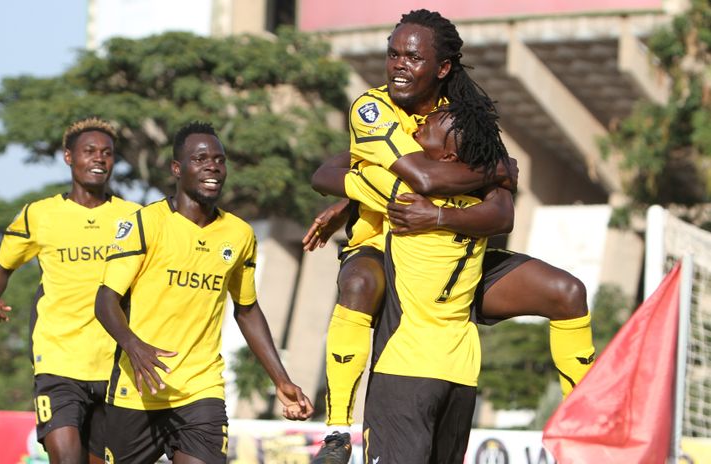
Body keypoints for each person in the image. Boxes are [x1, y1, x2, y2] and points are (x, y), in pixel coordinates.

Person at [308, 9, 595, 463]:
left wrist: (439, 217)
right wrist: (496, 169)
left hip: (453, 249)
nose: (399, 64)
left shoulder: (467, 119)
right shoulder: (372, 107)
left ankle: (586, 428)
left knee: (566, 292)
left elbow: (501, 213)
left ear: (442, 68)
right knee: (360, 284)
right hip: (382, 244)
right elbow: (419, 176)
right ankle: (337, 430)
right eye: (393, 54)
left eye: (413, 57)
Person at [94, 121, 314, 464]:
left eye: (219, 159)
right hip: (137, 390)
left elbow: (247, 309)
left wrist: (281, 380)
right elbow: (105, 300)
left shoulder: (239, 235)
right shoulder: (145, 223)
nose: (213, 166)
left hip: (201, 389)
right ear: (177, 168)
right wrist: (132, 345)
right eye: (200, 159)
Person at [313, 106, 510, 463]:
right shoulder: (485, 198)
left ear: (448, 154)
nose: (418, 128)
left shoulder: (400, 190)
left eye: (428, 128)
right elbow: (505, 202)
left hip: (405, 370)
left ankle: (337, 424)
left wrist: (368, 145)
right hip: (461, 374)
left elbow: (324, 175)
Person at [0, 117, 141, 464]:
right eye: (89, 151)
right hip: (58, 361)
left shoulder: (136, 218)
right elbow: (1, 267)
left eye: (107, 153)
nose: (99, 159)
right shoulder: (40, 214)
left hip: (117, 366)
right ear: (69, 157)